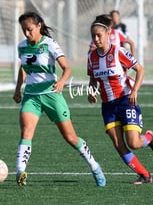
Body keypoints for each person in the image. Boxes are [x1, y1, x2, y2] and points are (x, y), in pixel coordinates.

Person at [13, 11, 106, 187]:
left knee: (71, 138)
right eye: (24, 30)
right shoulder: (22, 46)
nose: (27, 33)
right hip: (31, 96)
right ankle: (20, 171)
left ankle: (95, 166)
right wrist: (18, 89)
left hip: (51, 94)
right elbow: (24, 67)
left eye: (30, 29)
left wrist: (62, 81)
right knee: (26, 131)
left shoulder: (50, 44)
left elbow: (67, 68)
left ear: (39, 26)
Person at [87, 15, 153, 185]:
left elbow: (140, 70)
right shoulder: (91, 57)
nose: (96, 39)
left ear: (108, 33)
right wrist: (91, 92)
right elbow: (92, 80)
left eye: (99, 35)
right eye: (93, 36)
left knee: (134, 143)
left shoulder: (118, 51)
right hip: (107, 106)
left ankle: (149, 138)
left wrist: (134, 90)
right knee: (118, 144)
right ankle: (145, 175)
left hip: (125, 101)